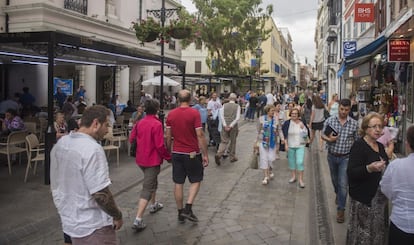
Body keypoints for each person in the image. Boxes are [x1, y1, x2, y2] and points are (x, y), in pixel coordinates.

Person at [50, 105, 123, 244]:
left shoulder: (62, 144)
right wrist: (117, 215)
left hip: (70, 222)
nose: (108, 130)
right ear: (96, 124)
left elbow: (55, 183)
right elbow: (100, 193)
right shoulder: (92, 149)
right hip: (93, 225)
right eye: (106, 125)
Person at [165, 89, 209, 223]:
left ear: (178, 100)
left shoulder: (171, 114)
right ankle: (188, 208)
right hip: (191, 152)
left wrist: (169, 150)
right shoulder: (194, 114)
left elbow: (168, 136)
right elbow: (200, 135)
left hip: (177, 152)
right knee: (196, 180)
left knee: (178, 183)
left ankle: (180, 212)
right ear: (190, 100)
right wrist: (205, 154)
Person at [129, 99, 171, 231]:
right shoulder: (157, 124)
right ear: (157, 109)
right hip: (152, 160)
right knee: (147, 187)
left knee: (152, 181)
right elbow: (159, 145)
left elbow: (131, 138)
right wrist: (168, 157)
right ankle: (138, 219)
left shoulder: (140, 122)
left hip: (141, 159)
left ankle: (154, 204)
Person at [346, 112, 389, 245]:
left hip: (379, 200)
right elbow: (351, 172)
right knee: (362, 235)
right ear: (365, 128)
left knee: (376, 232)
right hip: (363, 200)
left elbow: (385, 163)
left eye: (380, 126)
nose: (378, 129)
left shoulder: (380, 146)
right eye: (374, 126)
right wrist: (368, 168)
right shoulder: (359, 146)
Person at [322, 98, 358, 223]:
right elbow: (322, 135)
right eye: (341, 109)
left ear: (349, 109)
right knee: (335, 180)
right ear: (338, 108)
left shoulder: (354, 124)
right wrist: (329, 139)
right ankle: (338, 193)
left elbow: (357, 140)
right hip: (332, 155)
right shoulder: (330, 120)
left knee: (343, 184)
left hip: (346, 157)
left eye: (346, 110)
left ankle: (341, 209)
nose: (343, 112)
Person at [380, 125, 414, 245]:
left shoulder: (396, 165)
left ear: (407, 144)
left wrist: (398, 198)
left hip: (400, 223)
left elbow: (385, 188)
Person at [282, 108, 310, 188]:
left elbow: (305, 136)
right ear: (290, 114)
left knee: (300, 162)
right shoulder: (287, 123)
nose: (294, 115)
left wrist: (303, 129)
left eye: (296, 114)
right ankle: (294, 176)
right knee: (292, 162)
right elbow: (284, 134)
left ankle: (301, 179)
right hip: (290, 145)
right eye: (293, 113)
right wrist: (286, 144)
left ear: (298, 115)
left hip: (300, 145)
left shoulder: (301, 123)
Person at [256, 105, 284, 185]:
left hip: (272, 142)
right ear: (268, 111)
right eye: (272, 111)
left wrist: (282, 138)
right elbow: (258, 130)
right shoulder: (261, 119)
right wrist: (256, 142)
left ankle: (270, 170)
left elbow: (279, 130)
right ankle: (266, 176)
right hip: (263, 141)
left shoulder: (276, 120)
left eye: (274, 111)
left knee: (271, 158)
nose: (273, 112)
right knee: (264, 158)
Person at [215, 93, 241, 165]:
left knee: (223, 141)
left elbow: (221, 115)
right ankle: (232, 157)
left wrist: (225, 125)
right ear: (235, 99)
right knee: (233, 141)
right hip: (233, 126)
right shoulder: (237, 106)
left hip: (224, 125)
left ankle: (219, 153)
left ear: (229, 98)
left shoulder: (224, 105)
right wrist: (231, 125)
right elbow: (237, 117)